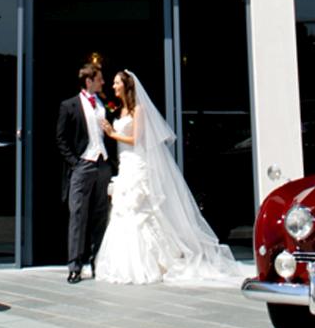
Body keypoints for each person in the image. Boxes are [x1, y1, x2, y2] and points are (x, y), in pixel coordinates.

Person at [94, 69, 243, 285]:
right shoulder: (121, 110)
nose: (113, 86)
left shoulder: (138, 110)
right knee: (122, 211)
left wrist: (111, 134)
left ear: (126, 86)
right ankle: (123, 263)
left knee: (139, 210)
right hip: (125, 164)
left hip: (137, 163)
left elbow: (136, 139)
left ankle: (150, 263)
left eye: (117, 82)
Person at [55, 60, 114, 283]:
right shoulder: (68, 105)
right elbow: (60, 138)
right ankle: (75, 266)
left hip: (103, 164)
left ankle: (98, 261)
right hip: (83, 165)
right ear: (89, 81)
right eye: (99, 79)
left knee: (100, 214)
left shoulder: (103, 104)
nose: (103, 82)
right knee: (78, 215)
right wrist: (75, 162)